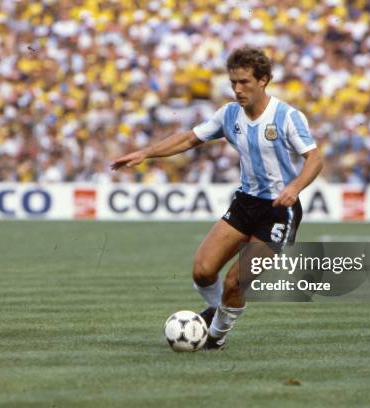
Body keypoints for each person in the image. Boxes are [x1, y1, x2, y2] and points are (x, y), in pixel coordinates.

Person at [111, 47, 323, 349]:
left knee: (236, 282)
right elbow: (188, 138)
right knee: (203, 271)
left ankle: (216, 336)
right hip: (245, 203)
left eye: (245, 82)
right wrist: (146, 153)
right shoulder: (229, 114)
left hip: (279, 210)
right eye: (233, 82)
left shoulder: (287, 116)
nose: (237, 89)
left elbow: (314, 159)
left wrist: (295, 187)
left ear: (263, 80)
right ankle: (218, 310)